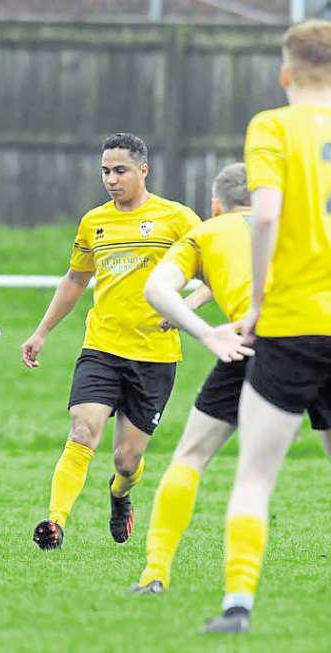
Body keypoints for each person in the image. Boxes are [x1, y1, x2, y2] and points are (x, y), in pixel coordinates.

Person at [134, 163, 331, 595]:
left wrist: (206, 333)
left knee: (192, 456)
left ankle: (155, 573)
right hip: (322, 331)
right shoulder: (301, 223)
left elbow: (157, 290)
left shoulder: (206, 233)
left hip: (260, 338)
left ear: (216, 205)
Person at [201, 20, 331, 634]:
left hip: (292, 321)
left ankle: (238, 606)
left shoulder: (273, 127)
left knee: (255, 473)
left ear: (286, 73)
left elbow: (268, 216)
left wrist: (256, 301)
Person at [21, 133, 203, 550]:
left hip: (155, 356)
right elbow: (74, 280)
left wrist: (184, 308)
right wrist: (42, 331)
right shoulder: (94, 222)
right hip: (101, 349)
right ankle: (55, 522)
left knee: (126, 460)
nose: (111, 179)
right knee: (82, 431)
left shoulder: (177, 218)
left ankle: (120, 494)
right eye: (105, 171)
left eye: (120, 170)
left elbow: (217, 268)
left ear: (144, 170)